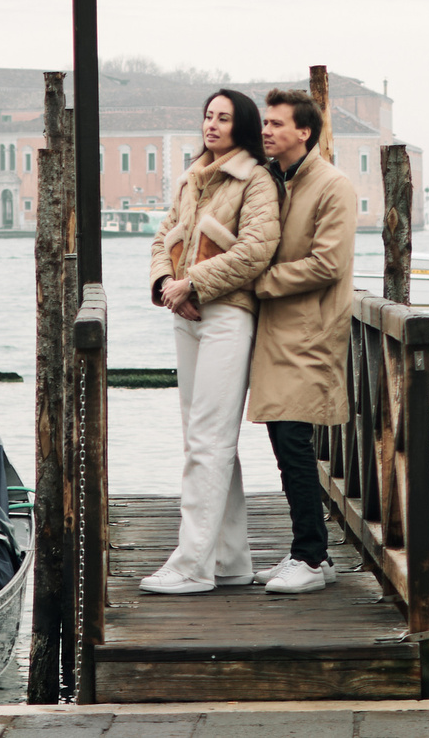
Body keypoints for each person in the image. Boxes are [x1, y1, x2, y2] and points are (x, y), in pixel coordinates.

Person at [139, 88, 280, 595]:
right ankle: (231, 559)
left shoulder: (257, 181)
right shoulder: (190, 178)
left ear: (241, 126)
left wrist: (193, 284)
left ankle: (192, 565)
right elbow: (164, 237)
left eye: (223, 118)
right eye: (207, 116)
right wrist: (166, 287)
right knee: (203, 439)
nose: (212, 125)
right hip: (185, 314)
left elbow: (256, 250)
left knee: (208, 440)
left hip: (227, 316)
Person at [246, 87, 355, 595]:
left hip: (310, 332)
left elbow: (328, 263)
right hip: (279, 333)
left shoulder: (332, 186)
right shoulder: (277, 181)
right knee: (285, 443)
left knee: (293, 442)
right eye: (265, 123)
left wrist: (260, 282)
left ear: (304, 131)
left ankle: (309, 558)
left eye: (276, 124)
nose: (266, 130)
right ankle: (311, 553)